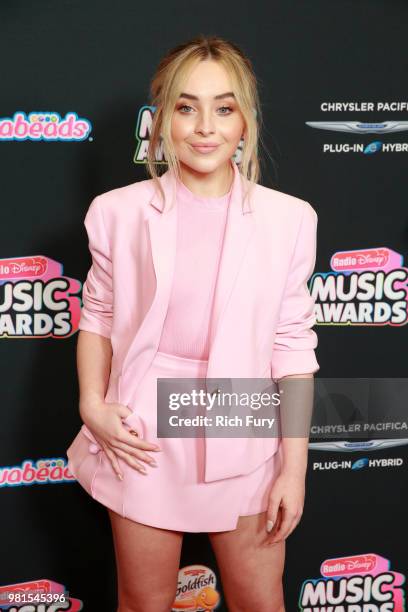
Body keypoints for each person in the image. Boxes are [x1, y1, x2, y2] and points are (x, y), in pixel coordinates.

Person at [66, 35, 320, 612]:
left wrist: (294, 469)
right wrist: (91, 403)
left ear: (245, 122)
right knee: (143, 601)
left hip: (244, 416)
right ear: (161, 121)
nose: (205, 126)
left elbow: (292, 346)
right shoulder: (117, 212)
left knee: (261, 600)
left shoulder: (290, 219)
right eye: (187, 107)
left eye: (224, 107)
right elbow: (99, 314)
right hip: (144, 428)